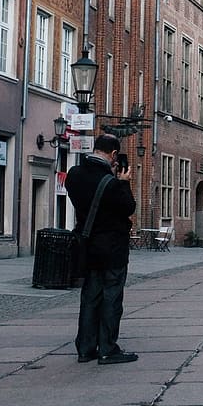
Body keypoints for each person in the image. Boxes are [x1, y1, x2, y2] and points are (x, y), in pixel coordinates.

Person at [65, 134, 138, 365]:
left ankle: (85, 348)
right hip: (113, 248)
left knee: (90, 297)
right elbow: (128, 207)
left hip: (88, 246)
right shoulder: (112, 184)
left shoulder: (74, 175)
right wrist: (124, 182)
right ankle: (107, 348)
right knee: (111, 297)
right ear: (114, 155)